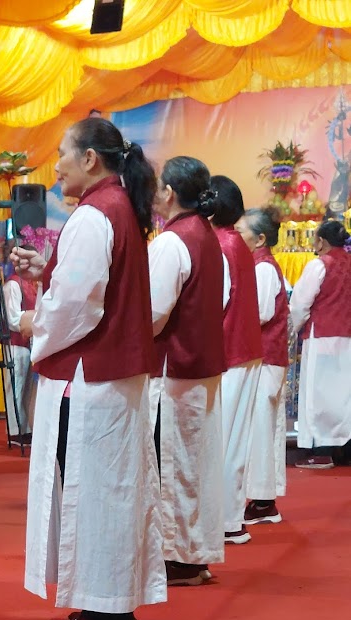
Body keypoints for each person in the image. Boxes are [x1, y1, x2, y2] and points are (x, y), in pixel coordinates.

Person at [12, 117, 165, 620]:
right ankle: (112, 606)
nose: (54, 165)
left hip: (90, 376)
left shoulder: (94, 214)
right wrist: (45, 275)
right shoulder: (118, 207)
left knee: (93, 491)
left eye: (61, 152)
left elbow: (78, 304)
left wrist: (36, 323)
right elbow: (83, 285)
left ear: (89, 160)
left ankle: (106, 613)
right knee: (111, 490)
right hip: (111, 377)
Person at [148, 157, 225, 587]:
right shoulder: (207, 236)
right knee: (195, 462)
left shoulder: (173, 242)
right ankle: (195, 552)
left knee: (175, 462)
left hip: (176, 368)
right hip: (201, 363)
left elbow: (153, 313)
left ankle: (179, 554)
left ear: (169, 193)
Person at [209, 175, 263, 546]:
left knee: (219, 441)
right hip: (245, 350)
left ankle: (222, 520)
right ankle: (229, 519)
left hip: (228, 352)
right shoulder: (237, 243)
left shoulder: (218, 244)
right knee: (234, 441)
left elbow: (214, 304)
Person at [235, 207, 289, 521]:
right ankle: (261, 499)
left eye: (241, 230)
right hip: (264, 357)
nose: (236, 235)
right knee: (260, 428)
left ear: (260, 239)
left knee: (259, 428)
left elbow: (260, 313)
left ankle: (263, 501)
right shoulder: (257, 265)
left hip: (265, 358)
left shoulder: (264, 268)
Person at [289, 219, 351, 469]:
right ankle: (344, 449)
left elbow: (300, 304)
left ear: (321, 241)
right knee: (344, 394)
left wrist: (291, 330)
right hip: (347, 337)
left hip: (323, 336)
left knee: (320, 394)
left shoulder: (318, 265)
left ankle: (322, 450)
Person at [3, 259, 37, 444]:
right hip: (15, 343)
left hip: (29, 342)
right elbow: (12, 317)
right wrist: (32, 326)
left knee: (26, 390)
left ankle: (25, 428)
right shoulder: (13, 285)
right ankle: (14, 431)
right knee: (15, 388)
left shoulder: (29, 285)